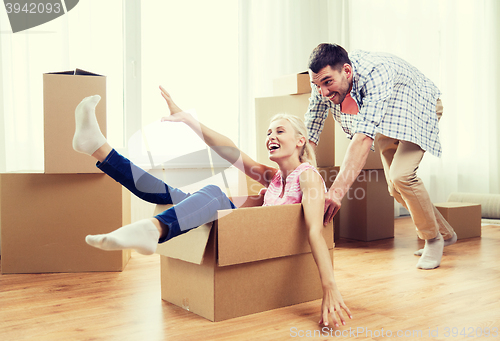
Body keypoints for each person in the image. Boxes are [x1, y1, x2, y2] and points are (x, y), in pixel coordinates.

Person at [72, 86, 352, 327]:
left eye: (280, 131)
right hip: (234, 229)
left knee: (212, 194)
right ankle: (99, 148)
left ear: (300, 141)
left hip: (244, 240)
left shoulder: (308, 177)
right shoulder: (274, 176)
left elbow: (316, 232)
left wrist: (329, 286)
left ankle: (154, 228)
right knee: (169, 194)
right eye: (268, 132)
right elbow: (229, 151)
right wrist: (188, 121)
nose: (271, 136)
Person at [305, 43, 457, 270]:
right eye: (318, 85)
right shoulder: (321, 81)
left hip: (419, 108)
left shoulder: (376, 73)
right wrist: (297, 171)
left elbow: (363, 138)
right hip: (389, 118)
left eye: (327, 83)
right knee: (395, 188)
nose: (323, 92)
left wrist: (335, 192)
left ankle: (432, 239)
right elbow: (312, 127)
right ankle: (445, 233)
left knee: (402, 177)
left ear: (346, 71)